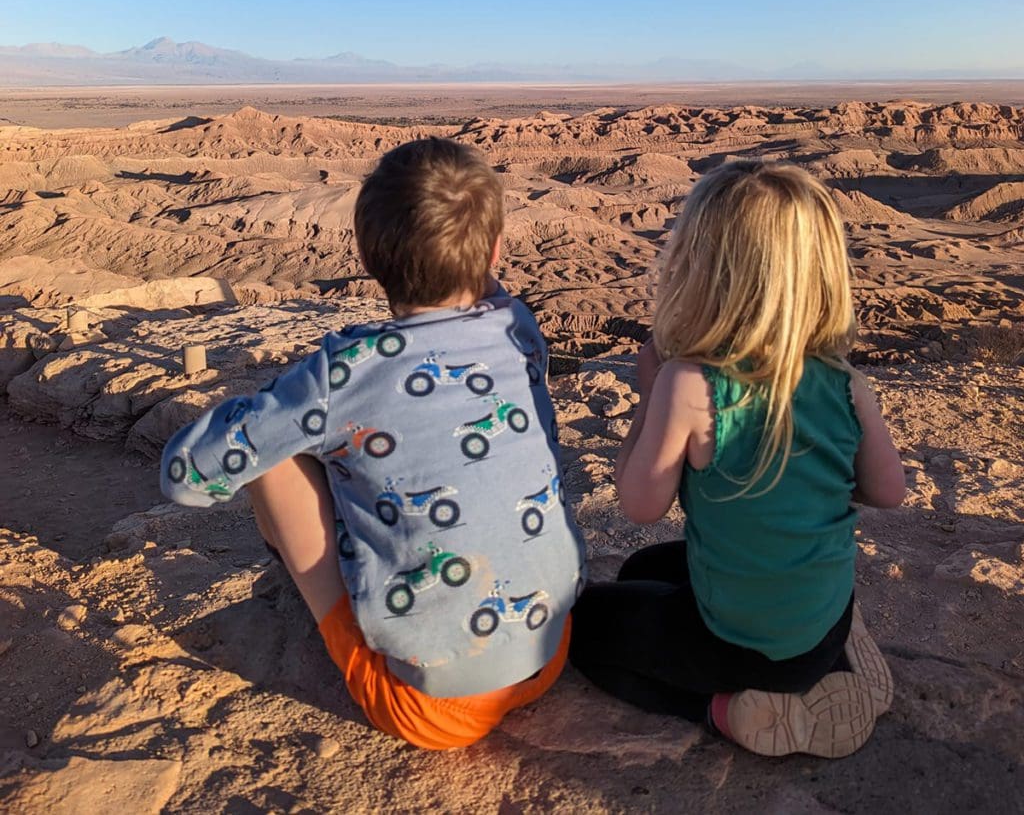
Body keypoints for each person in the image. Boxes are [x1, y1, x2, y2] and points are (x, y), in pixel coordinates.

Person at [161, 138, 586, 750]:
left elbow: (185, 477)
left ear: (367, 256)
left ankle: (332, 617)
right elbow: (485, 287)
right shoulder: (518, 328)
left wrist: (271, 411)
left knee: (277, 463)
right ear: (496, 252)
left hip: (431, 711)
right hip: (549, 656)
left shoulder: (344, 372)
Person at [568, 160, 905, 758]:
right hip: (825, 622)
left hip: (737, 645)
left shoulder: (689, 384)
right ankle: (840, 656)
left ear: (700, 269)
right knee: (643, 567)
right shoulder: (847, 385)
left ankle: (731, 711)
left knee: (584, 627)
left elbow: (639, 503)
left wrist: (649, 396)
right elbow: (888, 492)